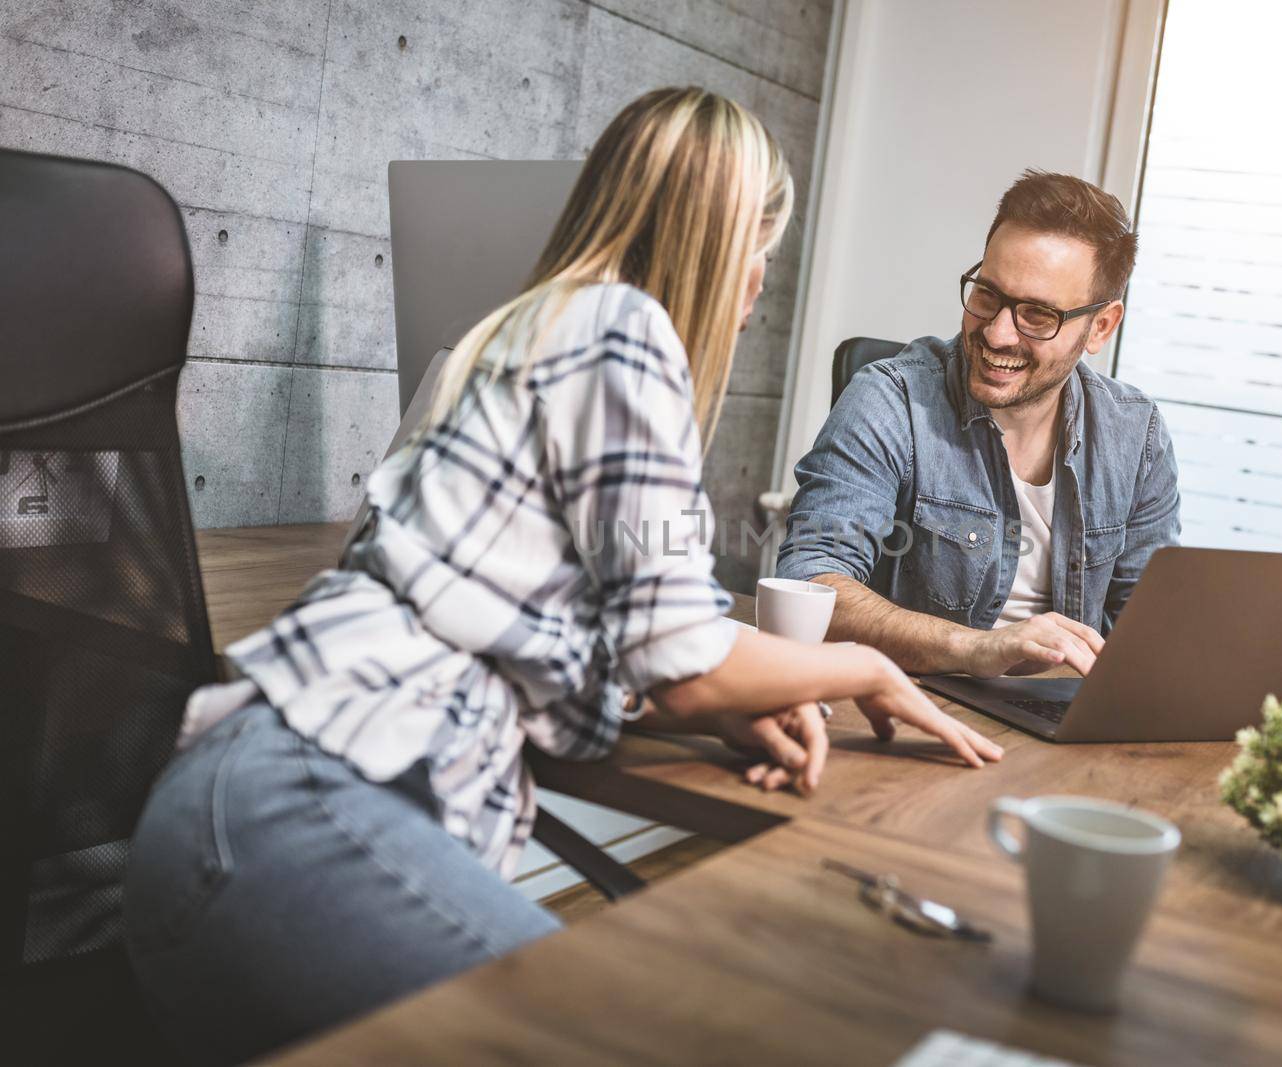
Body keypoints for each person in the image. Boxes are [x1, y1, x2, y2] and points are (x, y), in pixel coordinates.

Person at [124, 87, 1001, 1066]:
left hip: (244, 808)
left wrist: (713, 704)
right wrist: (862, 670)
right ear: (720, 247)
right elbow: (686, 657)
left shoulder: (532, 331)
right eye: (759, 250)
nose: (757, 285)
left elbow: (641, 651)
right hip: (298, 807)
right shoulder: (625, 333)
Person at [775, 170, 1180, 680]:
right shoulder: (891, 399)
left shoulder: (1134, 432)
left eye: (1036, 315)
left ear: (1100, 326)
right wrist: (977, 648)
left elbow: (1151, 626)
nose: (997, 332)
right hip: (919, 701)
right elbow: (810, 584)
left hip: (1058, 719)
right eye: (988, 294)